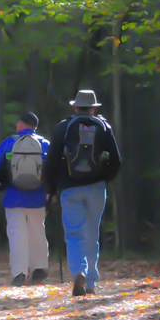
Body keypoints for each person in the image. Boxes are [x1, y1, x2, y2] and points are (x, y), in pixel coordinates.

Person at [42, 90, 122, 296]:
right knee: (92, 234)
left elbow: (51, 162)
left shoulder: (63, 127)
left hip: (69, 188)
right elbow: (116, 161)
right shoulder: (104, 127)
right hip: (96, 188)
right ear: (94, 108)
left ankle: (79, 271)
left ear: (75, 107)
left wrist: (50, 189)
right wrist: (104, 179)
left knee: (74, 234)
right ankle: (92, 283)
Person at [0, 112, 51, 287]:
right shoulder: (45, 143)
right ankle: (39, 268)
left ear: (21, 124)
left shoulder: (10, 142)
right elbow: (54, 169)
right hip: (38, 196)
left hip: (13, 197)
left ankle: (19, 273)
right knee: (38, 230)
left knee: (16, 234)